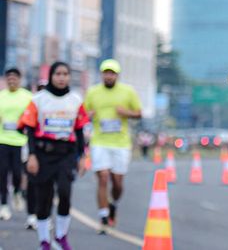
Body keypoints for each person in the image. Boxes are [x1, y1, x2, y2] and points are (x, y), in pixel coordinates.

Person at [19, 61, 88, 250]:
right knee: (44, 197)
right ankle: (44, 240)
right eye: (58, 74)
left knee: (65, 193)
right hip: (43, 153)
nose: (61, 78)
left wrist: (82, 157)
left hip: (66, 153)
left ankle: (60, 236)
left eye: (65, 74)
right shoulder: (39, 99)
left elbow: (79, 130)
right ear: (51, 76)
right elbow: (30, 129)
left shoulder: (75, 100)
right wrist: (32, 156)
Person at [83, 59, 142, 233]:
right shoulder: (93, 92)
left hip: (121, 143)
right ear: (101, 74)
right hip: (99, 141)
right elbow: (83, 114)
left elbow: (139, 113)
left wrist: (126, 112)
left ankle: (113, 204)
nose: (109, 76)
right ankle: (103, 217)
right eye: (106, 73)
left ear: (117, 75)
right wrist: (89, 115)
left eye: (112, 73)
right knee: (102, 177)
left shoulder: (128, 91)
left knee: (117, 182)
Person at [0, 67, 33, 221]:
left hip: (21, 141)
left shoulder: (27, 97)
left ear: (19, 80)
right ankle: (4, 205)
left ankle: (17, 191)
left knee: (17, 173)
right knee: (2, 173)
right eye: (9, 78)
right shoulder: (1, 96)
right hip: (3, 139)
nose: (12, 81)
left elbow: (32, 116)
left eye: (14, 78)